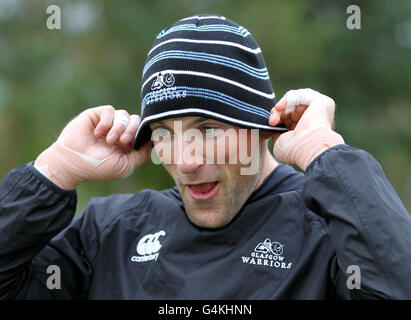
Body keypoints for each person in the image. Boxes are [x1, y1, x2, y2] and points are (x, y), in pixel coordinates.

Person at [1, 14, 410, 300]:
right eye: (164, 134)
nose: (185, 161)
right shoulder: (110, 233)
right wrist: (53, 170)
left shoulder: (330, 231)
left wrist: (324, 151)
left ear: (263, 126)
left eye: (208, 130)